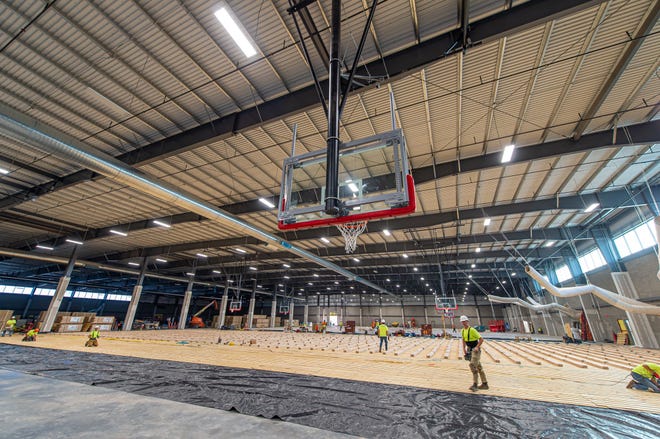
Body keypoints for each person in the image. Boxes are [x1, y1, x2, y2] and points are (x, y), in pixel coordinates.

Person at [460, 315, 488, 391]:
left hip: (475, 350)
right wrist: (464, 349)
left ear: (467, 321)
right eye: (462, 322)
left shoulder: (472, 330)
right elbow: (463, 340)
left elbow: (481, 339)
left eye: (464, 321)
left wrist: (477, 347)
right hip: (469, 349)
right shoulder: (462, 331)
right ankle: (485, 384)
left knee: (472, 366)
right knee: (479, 367)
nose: (463, 323)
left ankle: (475, 385)